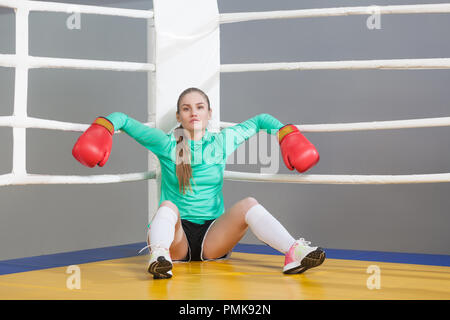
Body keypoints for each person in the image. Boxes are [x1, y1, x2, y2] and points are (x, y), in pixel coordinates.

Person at [72, 87, 324, 279]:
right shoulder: (167, 144)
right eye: (186, 108)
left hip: (213, 238)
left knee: (249, 203)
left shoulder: (222, 141)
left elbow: (260, 120)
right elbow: (123, 120)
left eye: (200, 107)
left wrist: (286, 133)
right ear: (179, 116)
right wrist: (103, 127)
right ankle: (158, 257)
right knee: (168, 206)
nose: (193, 112)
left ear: (209, 113)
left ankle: (293, 252)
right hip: (175, 240)